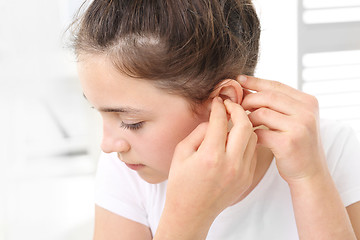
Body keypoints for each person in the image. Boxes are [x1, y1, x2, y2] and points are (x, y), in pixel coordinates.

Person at [70, 0, 360, 239]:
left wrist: (308, 178)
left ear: (224, 101)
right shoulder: (129, 168)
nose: (108, 145)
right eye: (100, 113)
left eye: (132, 122)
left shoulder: (332, 149)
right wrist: (185, 221)